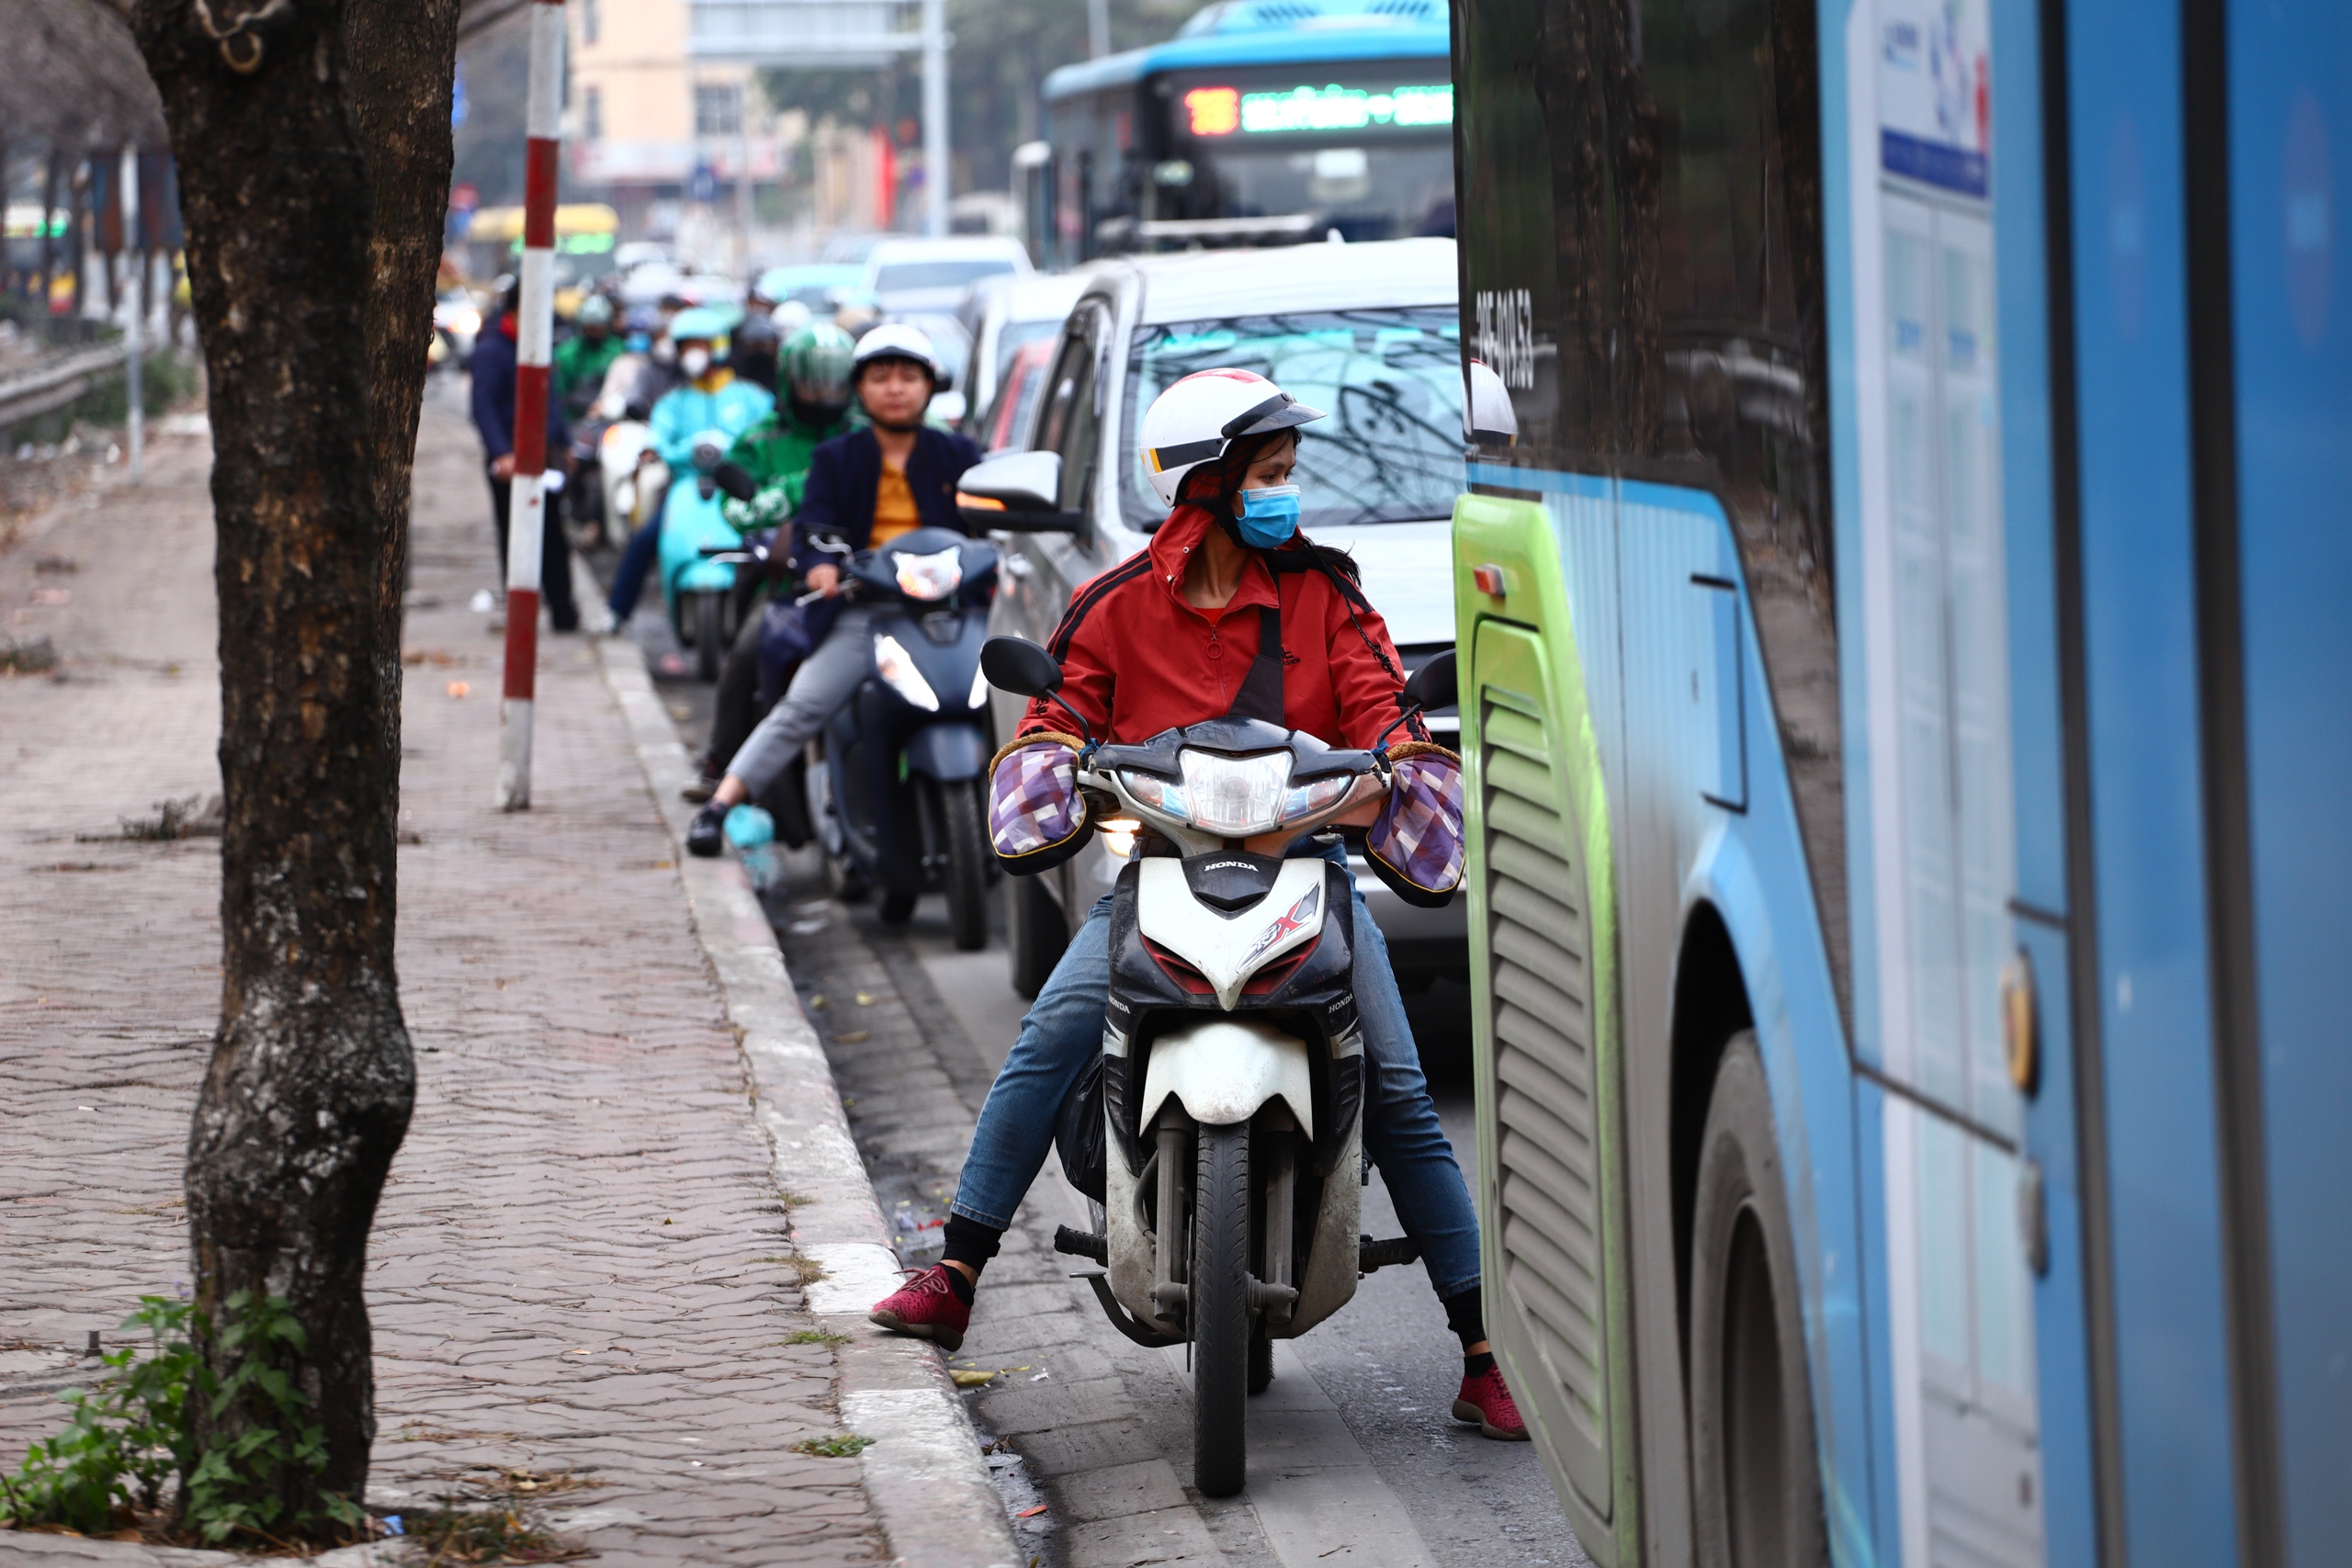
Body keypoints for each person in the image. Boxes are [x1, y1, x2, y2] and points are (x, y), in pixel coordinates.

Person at [862, 369, 1529, 1441]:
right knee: (1045, 1041)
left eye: (1284, 475)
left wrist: (1405, 756)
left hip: (1307, 879)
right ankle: (955, 1271)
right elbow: (1062, 707)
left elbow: (1375, 700)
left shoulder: (1323, 595)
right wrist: (1049, 751)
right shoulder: (1117, 606)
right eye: (1268, 475)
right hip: (1161, 879)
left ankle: (1482, 1353)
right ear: (1208, 485)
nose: (1285, 495)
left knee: (1398, 1090)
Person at [683, 323, 980, 846]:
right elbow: (814, 530)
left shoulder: (958, 453)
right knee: (802, 705)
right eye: (881, 377)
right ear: (859, 389)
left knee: (1023, 696)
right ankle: (720, 801)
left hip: (951, 611)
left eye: (908, 376)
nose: (895, 388)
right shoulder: (834, 458)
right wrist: (819, 563)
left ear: (929, 386)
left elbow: (991, 520)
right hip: (867, 611)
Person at [683, 322, 862, 802]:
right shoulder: (762, 439)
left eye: (834, 381)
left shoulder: (867, 434)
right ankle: (719, 762)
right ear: (789, 381)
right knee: (744, 655)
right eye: (813, 382)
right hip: (790, 585)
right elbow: (737, 504)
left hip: (868, 583)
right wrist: (780, 499)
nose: (824, 393)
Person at [598, 306, 775, 633]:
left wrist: (733, 448)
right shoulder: (673, 402)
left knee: (769, 546)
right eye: (686, 346)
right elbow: (657, 438)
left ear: (718, 347)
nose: (692, 354)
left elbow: (766, 437)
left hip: (740, 487)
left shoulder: (752, 397)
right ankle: (617, 611)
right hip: (684, 487)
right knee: (644, 539)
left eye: (700, 345)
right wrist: (683, 448)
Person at [469, 278, 577, 630]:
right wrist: (500, 453)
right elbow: (483, 407)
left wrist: (563, 442)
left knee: (554, 536)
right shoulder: (491, 350)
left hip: (543, 458)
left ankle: (563, 609)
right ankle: (520, 616)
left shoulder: (539, 346)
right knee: (514, 536)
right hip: (509, 462)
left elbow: (551, 399)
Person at [552, 294, 624, 423]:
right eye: (589, 328)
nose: (593, 332)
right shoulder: (567, 354)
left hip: (610, 419)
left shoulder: (618, 350)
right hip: (575, 419)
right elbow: (559, 392)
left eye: (597, 328)